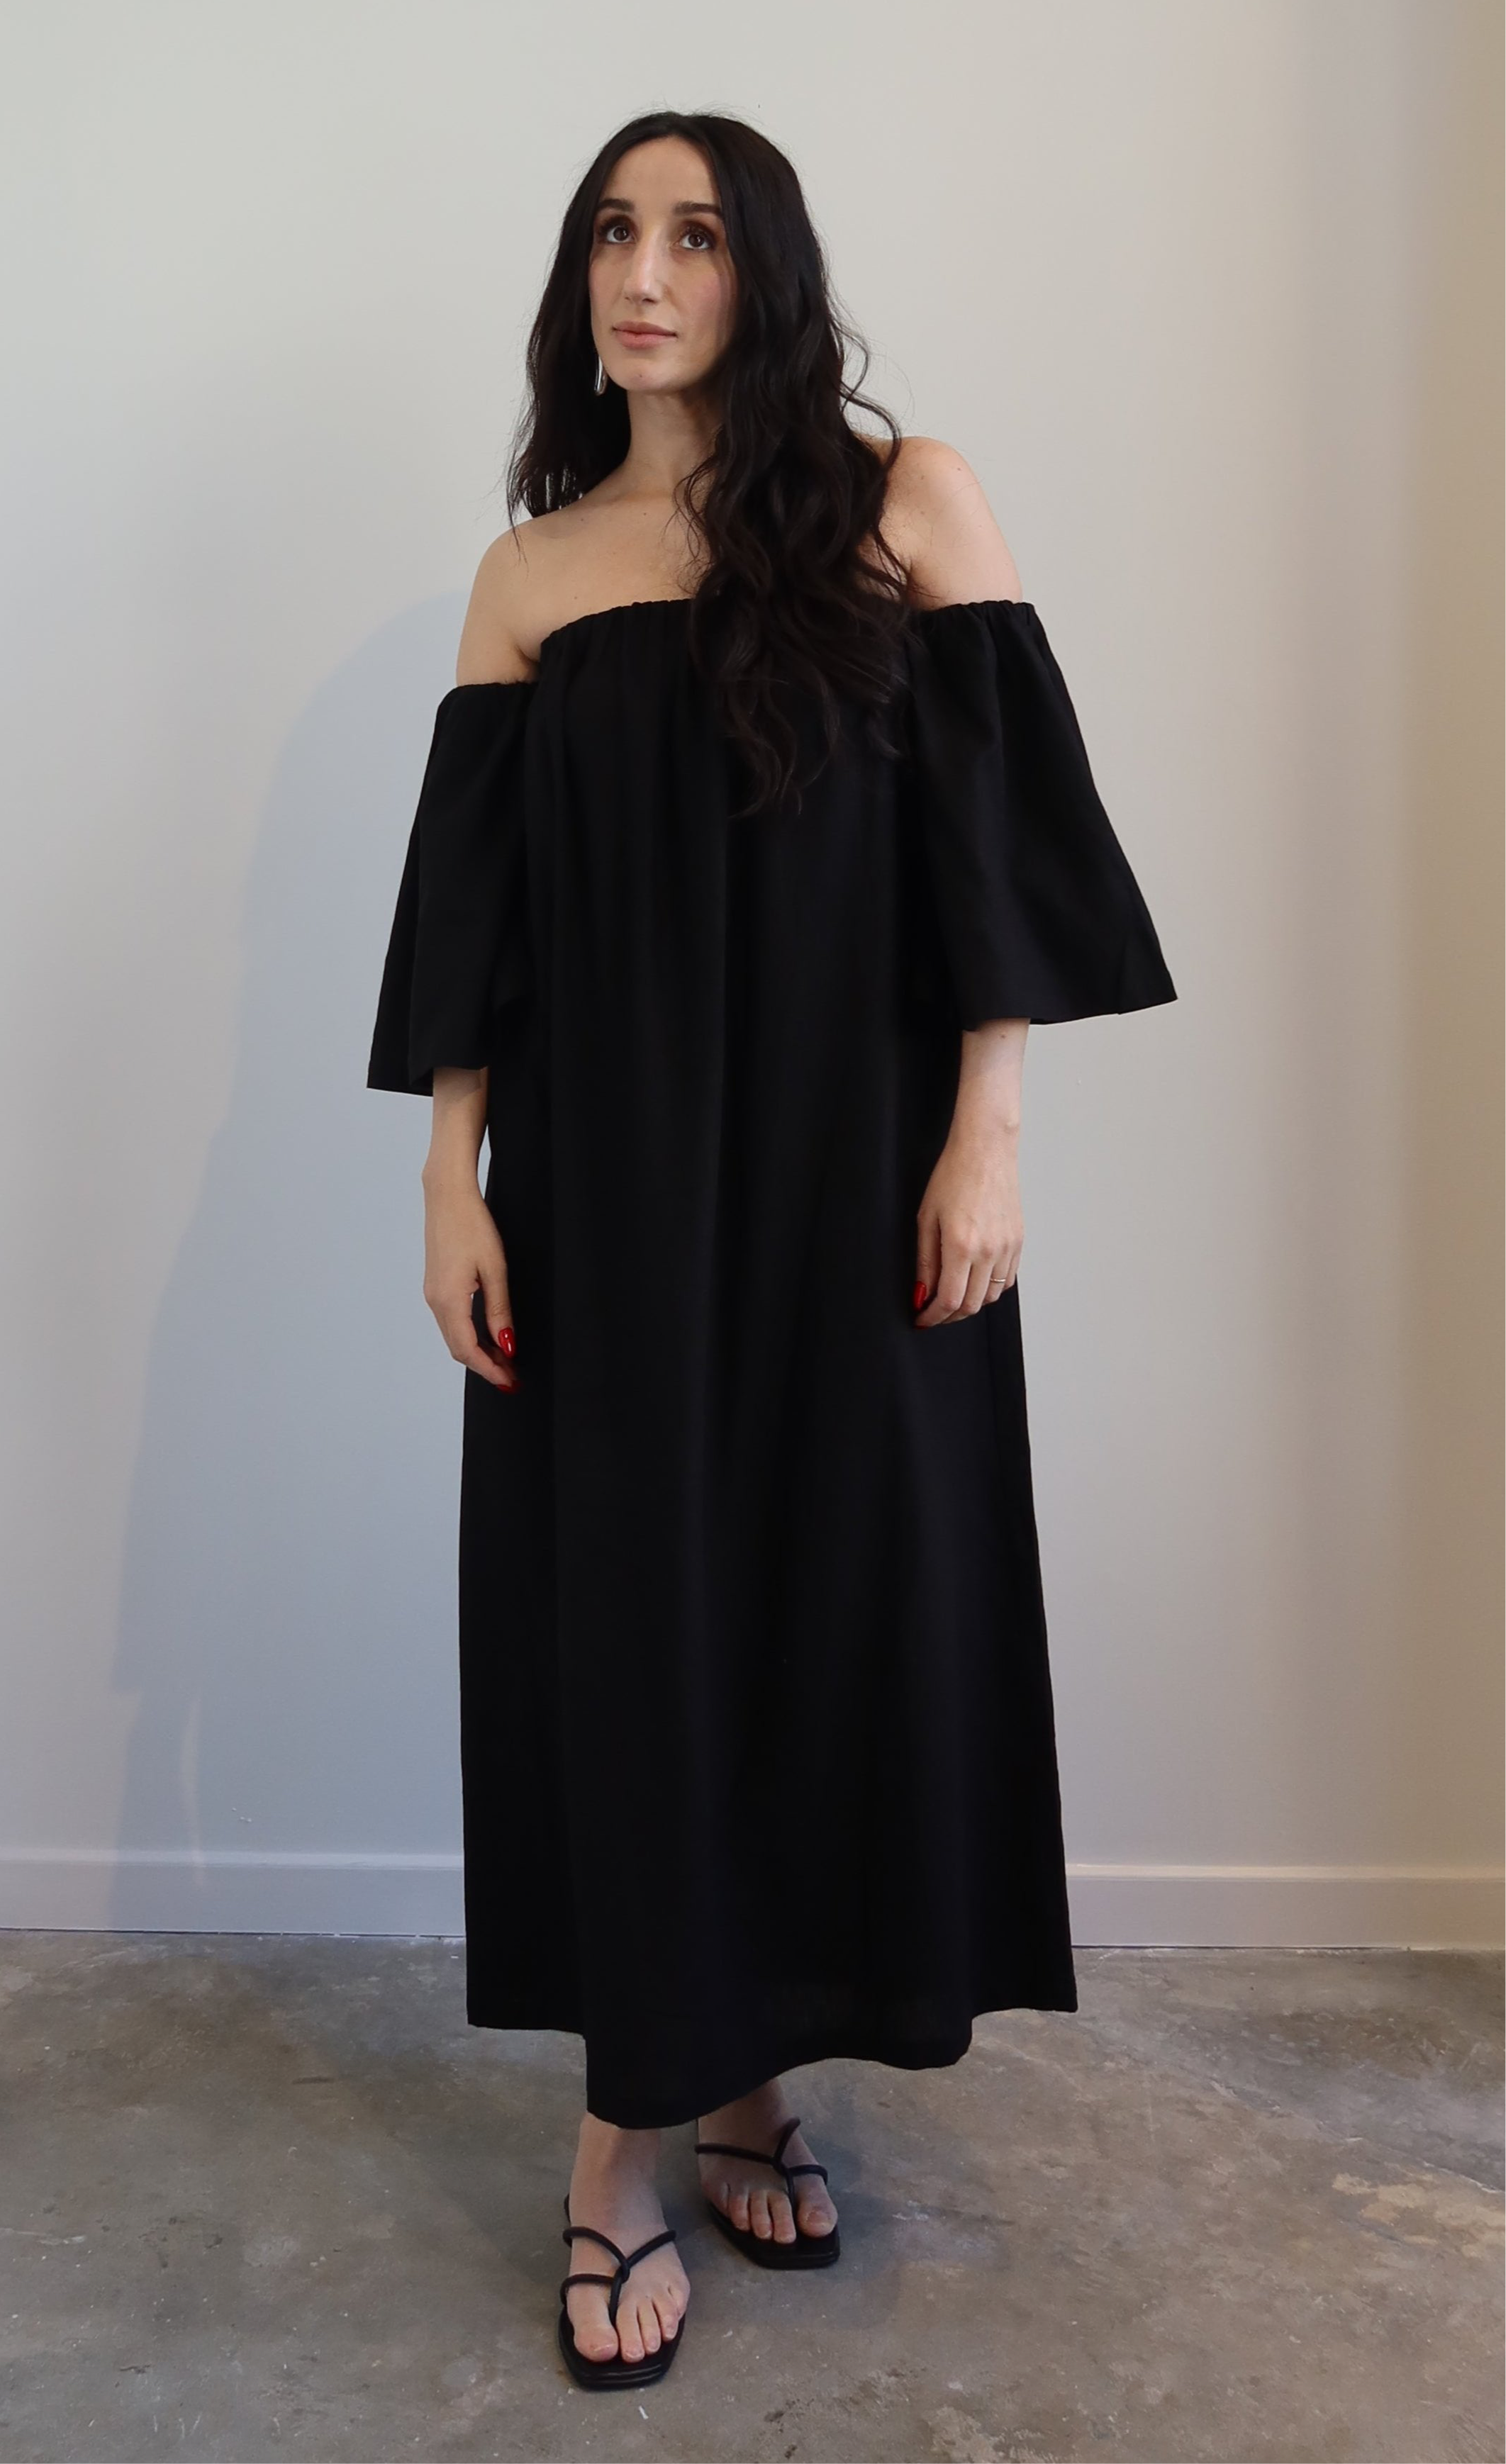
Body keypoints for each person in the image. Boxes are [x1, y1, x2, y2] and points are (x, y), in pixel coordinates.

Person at [368, 110, 1176, 2391]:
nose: (646, 273)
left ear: (763, 271)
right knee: (631, 1626)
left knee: (829, 1602)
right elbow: (479, 938)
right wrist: (450, 1176)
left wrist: (987, 1126)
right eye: (612, 234)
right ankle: (620, 2142)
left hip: (857, 1185)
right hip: (606, 1204)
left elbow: (998, 853)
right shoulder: (532, 576)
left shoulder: (904, 503)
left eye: (694, 234)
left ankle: (750, 2068)